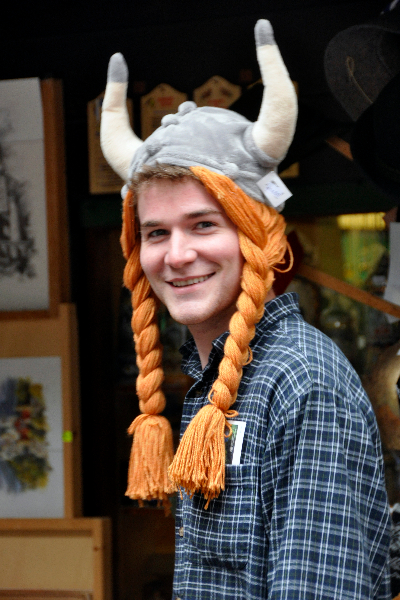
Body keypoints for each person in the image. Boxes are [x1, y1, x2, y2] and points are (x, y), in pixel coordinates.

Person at [100, 20, 391, 600]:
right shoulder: (215, 381)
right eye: (156, 232)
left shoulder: (302, 381)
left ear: (257, 234)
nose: (177, 255)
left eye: (204, 224)